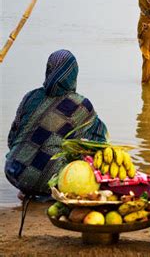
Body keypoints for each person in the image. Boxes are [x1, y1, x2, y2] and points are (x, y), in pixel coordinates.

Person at [5, 49, 108, 197]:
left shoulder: (31, 96)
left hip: (12, 171)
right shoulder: (82, 105)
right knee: (83, 152)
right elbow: (100, 141)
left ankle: (28, 185)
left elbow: (12, 138)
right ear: (74, 74)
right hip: (48, 180)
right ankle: (43, 187)